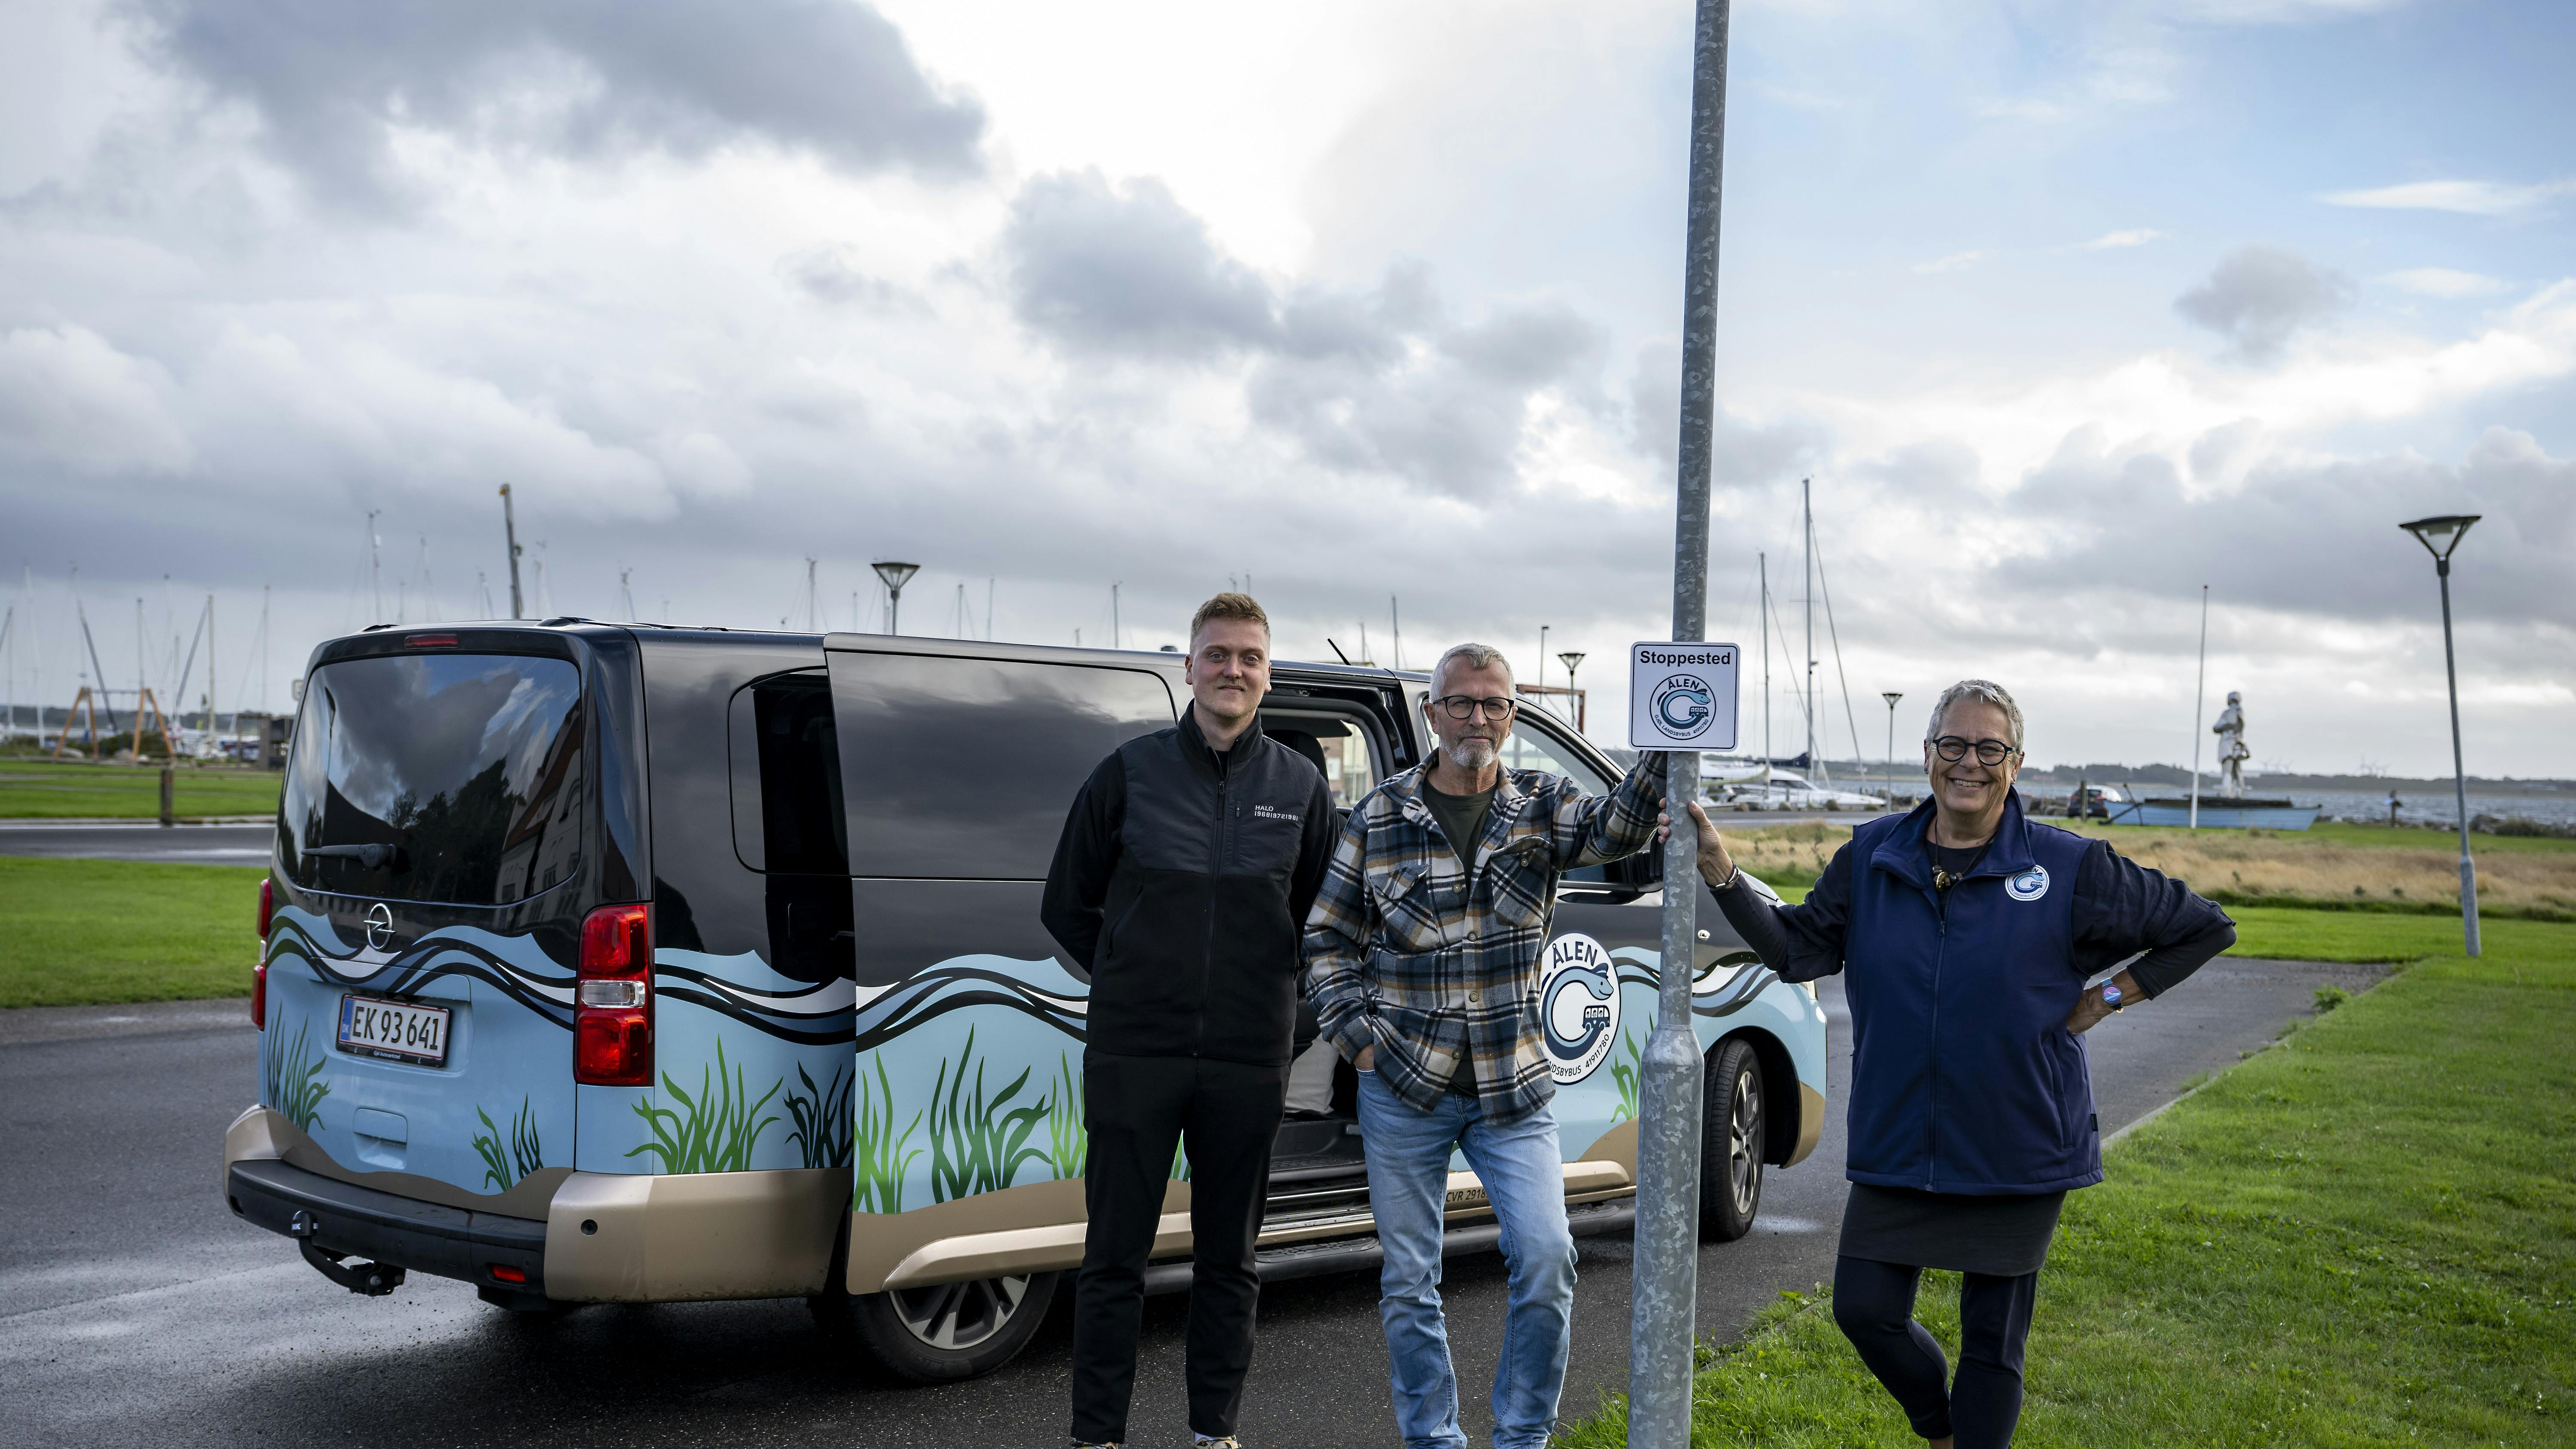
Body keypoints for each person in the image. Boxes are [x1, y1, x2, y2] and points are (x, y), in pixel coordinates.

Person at [1676, 678, 2235, 1449]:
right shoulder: (1874, 854)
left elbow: (2204, 928)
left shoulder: (2070, 867)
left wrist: (2109, 993)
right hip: (1900, 1136)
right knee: (1864, 1309)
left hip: (2019, 1141)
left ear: (2016, 762)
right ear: (1928, 754)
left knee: (1991, 1343)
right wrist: (1722, 874)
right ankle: (1942, 1432)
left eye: (1988, 748)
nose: (1968, 762)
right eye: (1953, 745)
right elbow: (1797, 948)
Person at [1303, 642, 1662, 1449]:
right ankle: (1432, 1438)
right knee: (1409, 1282)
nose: (1478, 718)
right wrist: (1360, 1043)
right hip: (1402, 1086)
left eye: (1494, 703)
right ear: (1432, 714)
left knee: (1547, 1261)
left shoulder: (1540, 802)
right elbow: (1327, 935)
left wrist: (1668, 744)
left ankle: (1523, 1436)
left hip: (1512, 1089)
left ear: (1511, 715)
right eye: (1461, 703)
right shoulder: (1382, 815)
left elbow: (1618, 826)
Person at [1042, 592, 1340, 1449]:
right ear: (1189, 666)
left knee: (1230, 1262)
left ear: (1268, 673)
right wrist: (1135, 983)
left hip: (1248, 1061)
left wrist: (1291, 1022)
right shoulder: (1128, 773)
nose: (1233, 669)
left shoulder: (1299, 786)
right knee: (1113, 1260)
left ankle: (1214, 1432)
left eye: (1249, 656)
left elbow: (1327, 924)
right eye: (1218, 654)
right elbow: (1067, 905)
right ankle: (1096, 1435)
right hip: (1136, 1053)